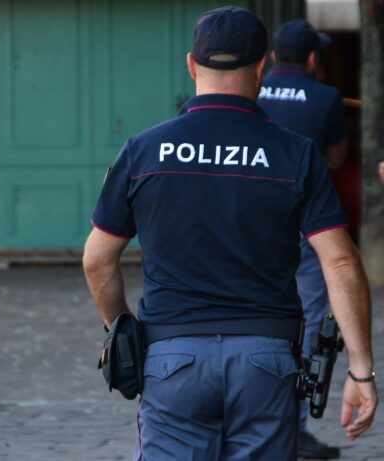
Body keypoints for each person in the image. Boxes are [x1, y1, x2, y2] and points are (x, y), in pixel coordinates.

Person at [82, 7, 377, 460]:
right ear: (261, 67)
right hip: (265, 361)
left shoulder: (143, 151)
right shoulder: (294, 155)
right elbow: (338, 261)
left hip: (172, 356)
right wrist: (360, 371)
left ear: (191, 64)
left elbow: (97, 259)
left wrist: (120, 329)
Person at [257, 19, 348, 459]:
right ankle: (289, 428)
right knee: (309, 320)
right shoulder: (326, 98)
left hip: (248, 224)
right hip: (307, 224)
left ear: (272, 59)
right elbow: (334, 159)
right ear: (313, 60)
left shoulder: (248, 90)